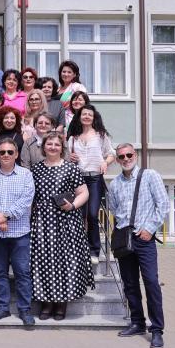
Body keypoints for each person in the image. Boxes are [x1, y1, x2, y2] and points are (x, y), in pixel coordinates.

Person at [108, 144, 169, 348]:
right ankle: (137, 322)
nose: (126, 159)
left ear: (136, 155)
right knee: (130, 283)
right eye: (121, 156)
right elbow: (114, 209)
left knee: (151, 282)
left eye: (129, 155)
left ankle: (157, 329)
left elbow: (163, 205)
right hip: (125, 238)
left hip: (144, 238)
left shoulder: (150, 175)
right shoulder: (115, 183)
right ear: (116, 160)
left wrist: (150, 228)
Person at [30, 132, 93, 321]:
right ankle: (46, 303)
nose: (53, 147)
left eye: (57, 145)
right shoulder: (36, 169)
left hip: (66, 222)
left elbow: (84, 192)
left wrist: (73, 205)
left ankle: (61, 305)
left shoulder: (70, 168)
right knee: (43, 262)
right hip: (42, 222)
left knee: (65, 262)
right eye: (49, 144)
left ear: (62, 148)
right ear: (43, 147)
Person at [0, 138, 35, 327]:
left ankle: (24, 310)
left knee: (22, 272)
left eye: (10, 152)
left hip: (19, 232)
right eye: (2, 152)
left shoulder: (25, 174)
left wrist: (5, 217)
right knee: (0, 271)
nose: (6, 155)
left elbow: (26, 200)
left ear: (17, 154)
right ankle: (3, 307)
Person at [67, 104, 115, 263]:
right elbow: (67, 158)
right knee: (79, 215)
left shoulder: (101, 135)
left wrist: (105, 163)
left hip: (95, 178)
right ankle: (79, 248)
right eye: (84, 114)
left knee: (92, 215)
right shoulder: (73, 138)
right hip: (78, 179)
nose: (86, 116)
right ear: (79, 117)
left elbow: (111, 153)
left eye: (90, 114)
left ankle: (94, 250)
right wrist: (70, 158)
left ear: (94, 118)